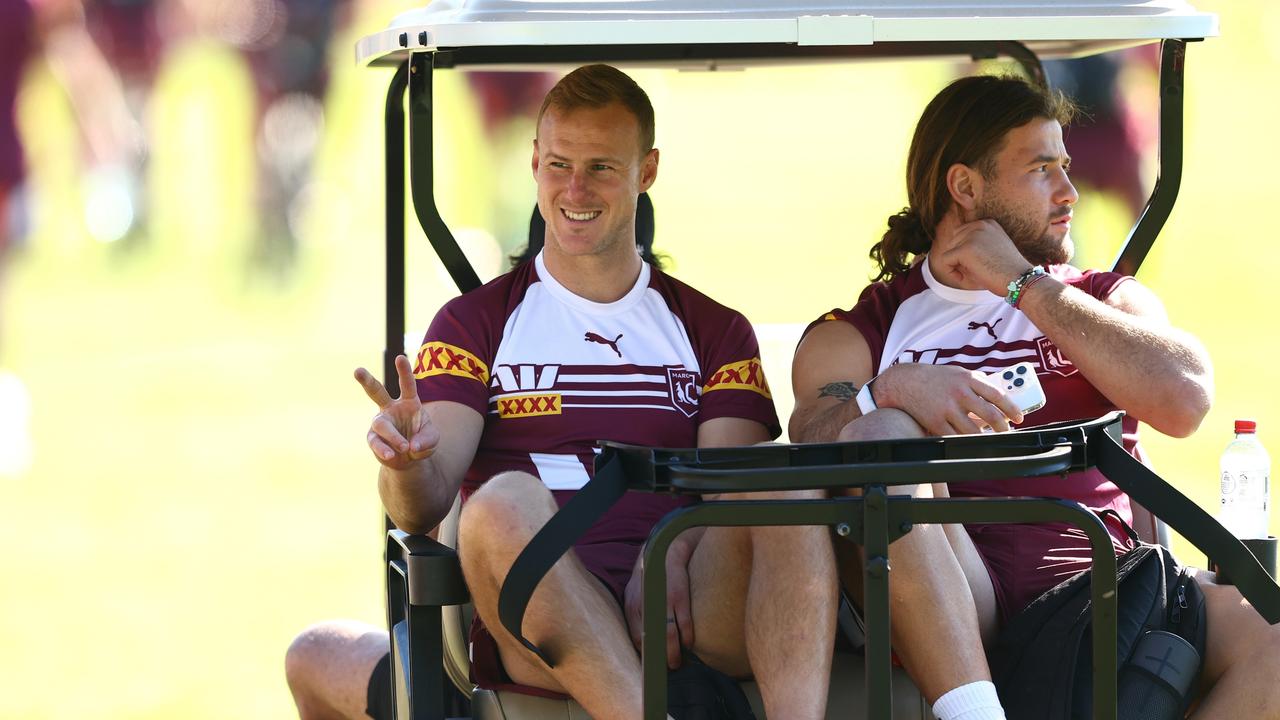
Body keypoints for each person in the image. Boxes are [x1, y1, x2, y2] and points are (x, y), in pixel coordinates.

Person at [285, 64, 838, 720]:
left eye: (602, 166)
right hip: (543, 609)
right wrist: (405, 464)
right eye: (558, 164)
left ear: (647, 170)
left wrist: (671, 552)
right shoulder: (473, 324)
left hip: (683, 601)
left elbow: (733, 495)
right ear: (534, 163)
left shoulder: (714, 330)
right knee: (501, 503)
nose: (575, 188)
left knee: (783, 482)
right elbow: (422, 506)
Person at [789, 74, 1280, 720]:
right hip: (969, 601)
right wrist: (892, 389)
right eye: (1042, 169)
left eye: (1066, 166)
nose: (1071, 192)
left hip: (1117, 590)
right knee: (877, 434)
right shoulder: (869, 326)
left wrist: (1022, 285)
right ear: (965, 187)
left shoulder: (1104, 300)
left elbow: (1186, 398)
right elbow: (806, 437)